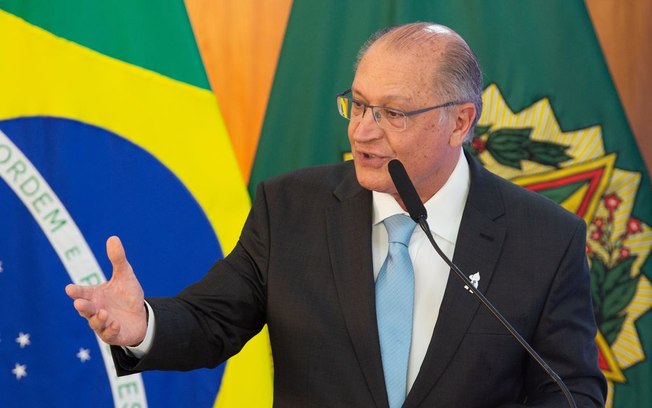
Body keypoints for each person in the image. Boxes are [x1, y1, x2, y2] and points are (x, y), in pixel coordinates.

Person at [66, 22, 607, 407]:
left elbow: (570, 391)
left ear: (460, 122)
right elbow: (213, 321)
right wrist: (143, 326)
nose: (362, 131)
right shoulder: (290, 208)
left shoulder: (546, 239)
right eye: (359, 104)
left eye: (392, 113)